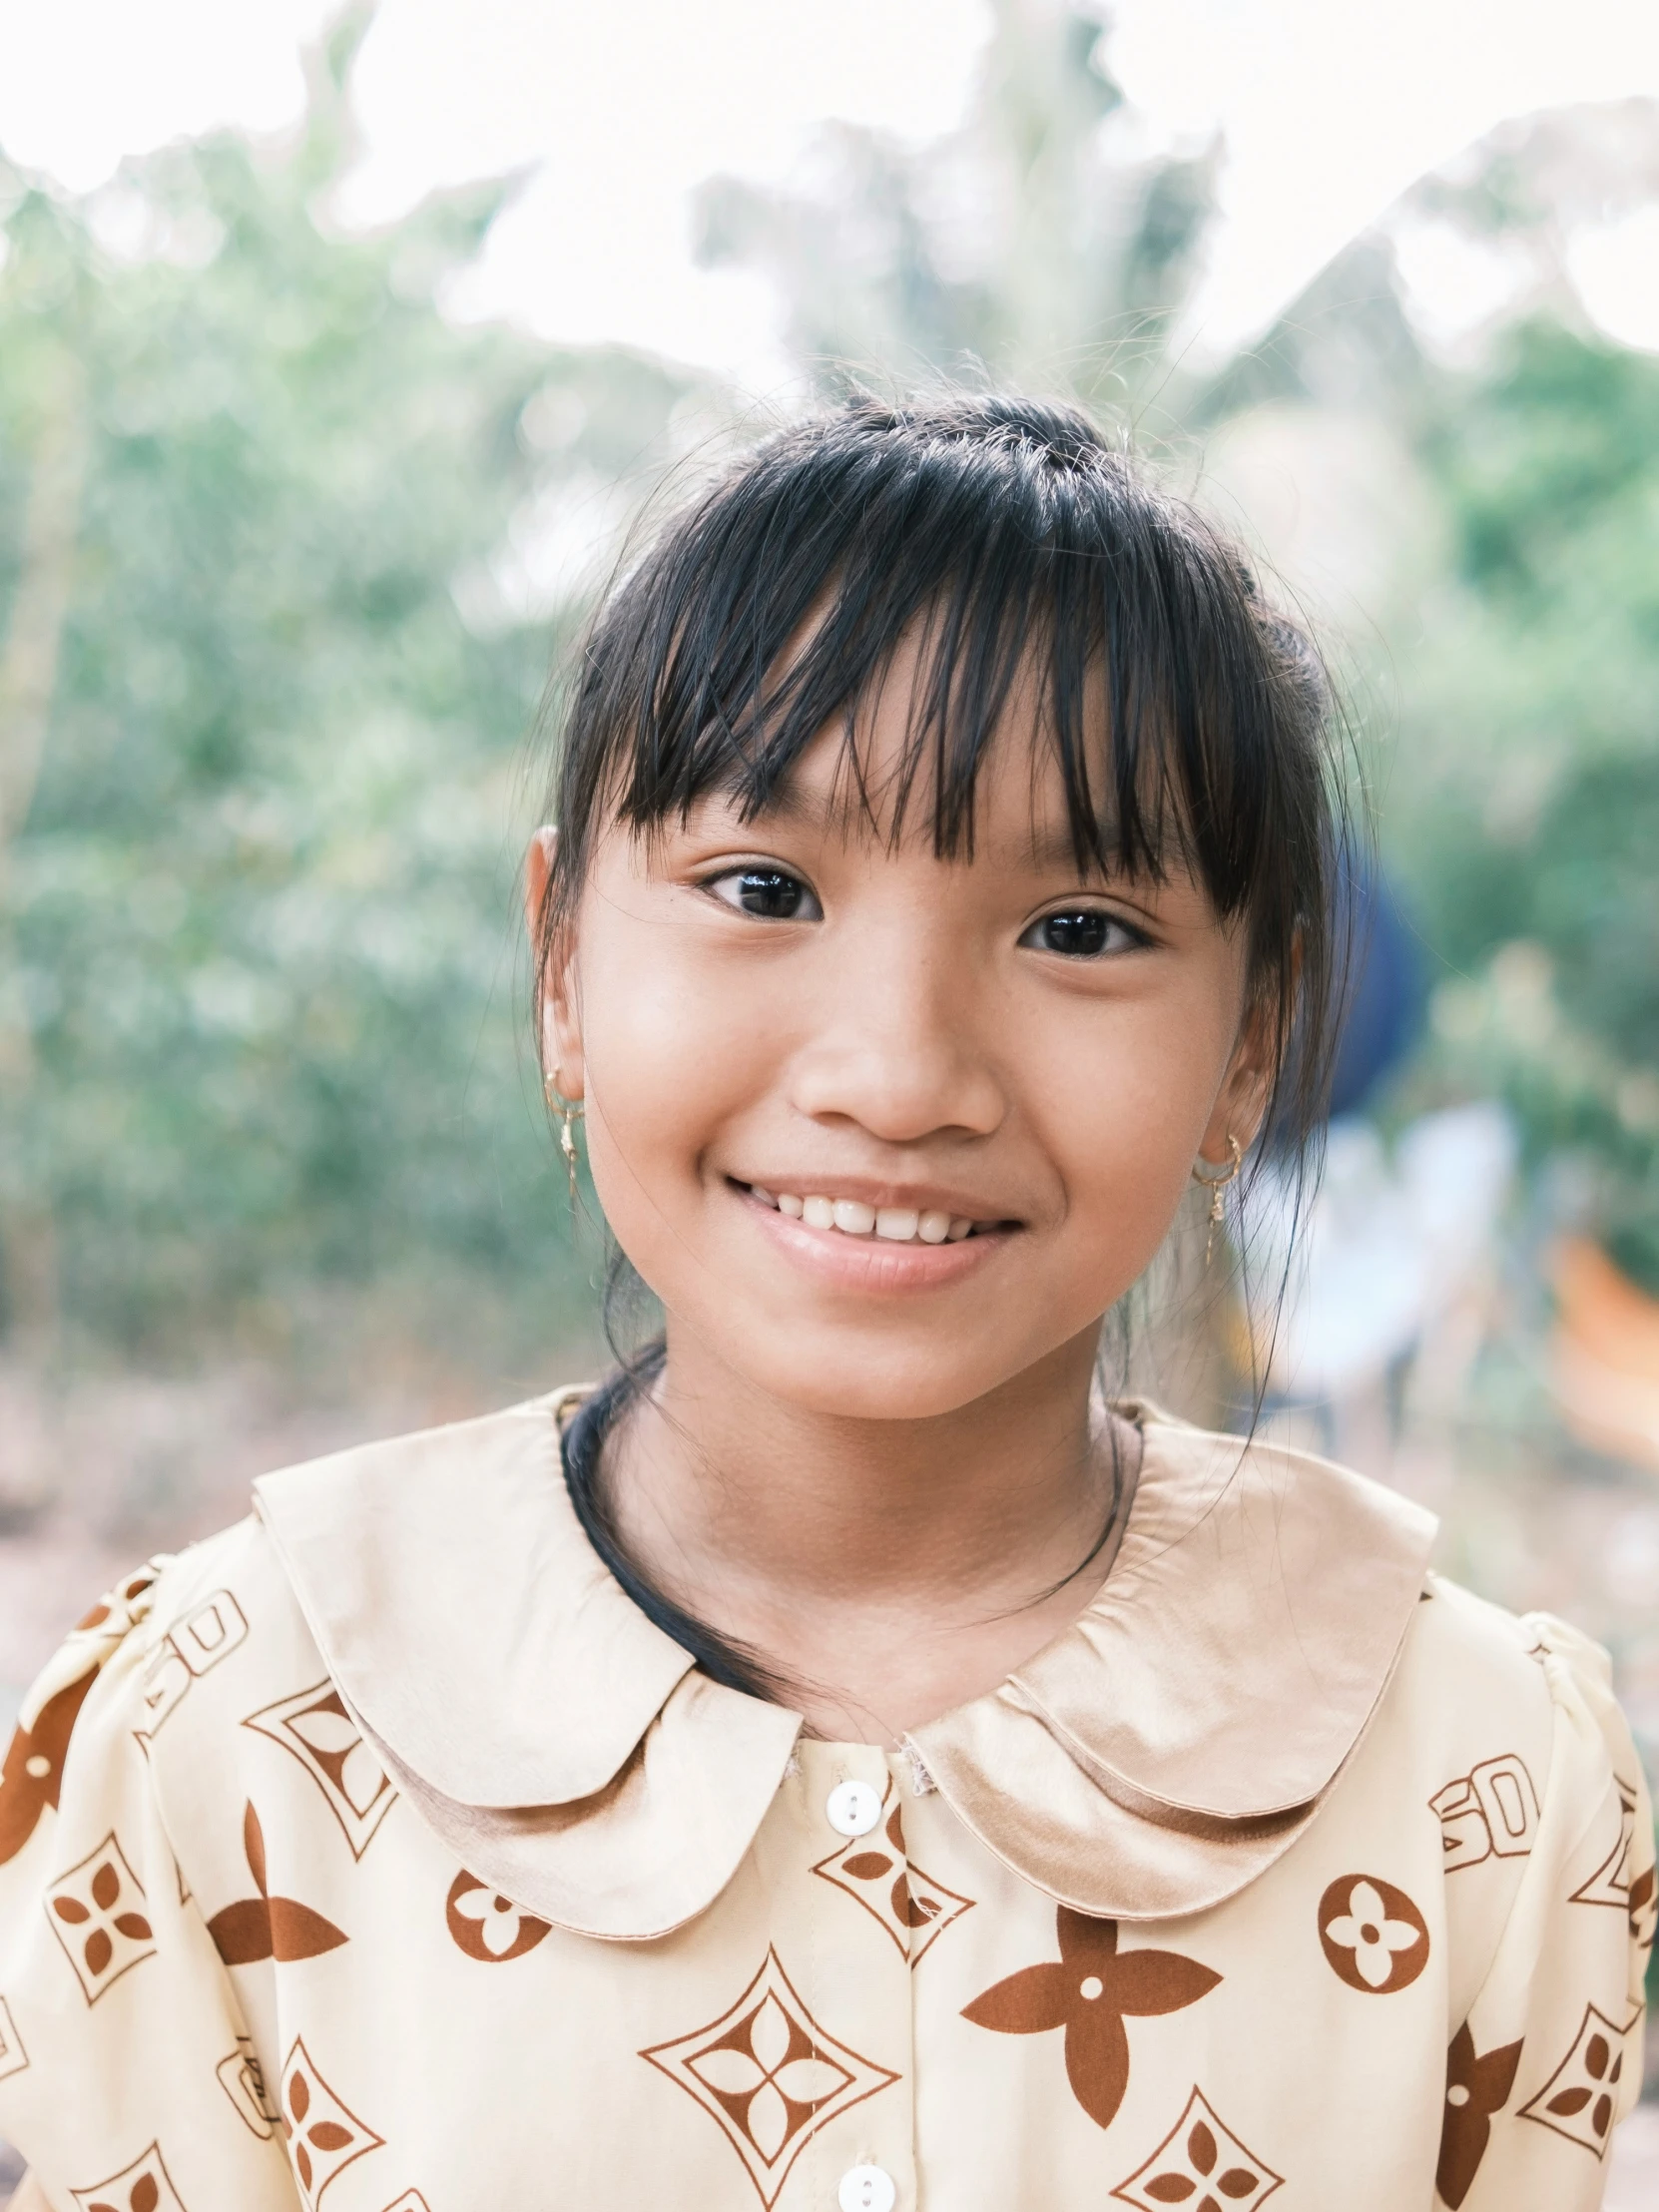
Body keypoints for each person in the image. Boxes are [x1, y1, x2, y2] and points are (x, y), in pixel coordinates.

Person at [0, 395, 1649, 2211]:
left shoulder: (1473, 1770)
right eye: (762, 887)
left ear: (1253, 1038)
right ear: (559, 965)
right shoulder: (218, 1733)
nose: (897, 1073)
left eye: (1079, 927)